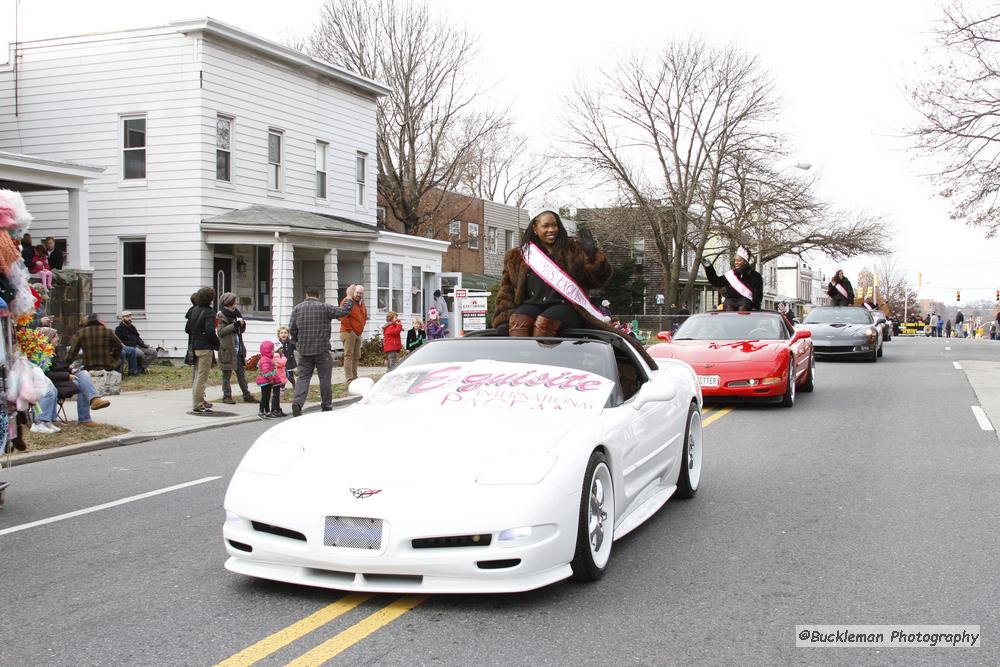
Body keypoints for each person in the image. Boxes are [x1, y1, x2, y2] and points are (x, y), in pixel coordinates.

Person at [493, 209, 612, 336]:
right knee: (518, 323)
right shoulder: (518, 255)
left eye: (554, 225)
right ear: (534, 227)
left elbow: (599, 280)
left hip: (567, 308)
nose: (551, 230)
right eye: (546, 226)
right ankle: (522, 356)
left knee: (544, 324)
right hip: (532, 305)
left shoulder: (573, 249)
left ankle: (544, 356)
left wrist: (592, 255)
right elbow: (507, 291)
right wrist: (503, 321)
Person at [288, 285, 356, 417]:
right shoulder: (325, 307)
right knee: (324, 379)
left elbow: (292, 329)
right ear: (318, 296)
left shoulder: (297, 309)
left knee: (303, 378)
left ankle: (297, 402)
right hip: (322, 349)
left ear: (306, 296)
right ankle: (326, 406)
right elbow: (344, 311)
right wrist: (348, 296)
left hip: (304, 350)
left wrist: (297, 343)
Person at [37, 326, 110, 428]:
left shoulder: (57, 350)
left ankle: (94, 400)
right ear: (47, 339)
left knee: (84, 374)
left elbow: (63, 367)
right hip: (53, 384)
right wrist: (67, 375)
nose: (58, 339)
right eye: (55, 337)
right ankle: (85, 418)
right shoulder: (44, 355)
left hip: (64, 380)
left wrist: (71, 371)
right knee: (82, 385)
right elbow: (46, 374)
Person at [216, 293, 255, 405]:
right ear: (229, 302)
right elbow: (221, 332)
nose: (236, 302)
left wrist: (241, 325)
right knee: (226, 375)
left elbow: (240, 331)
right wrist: (234, 325)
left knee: (241, 374)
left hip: (238, 348)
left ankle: (246, 395)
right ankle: (227, 396)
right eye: (234, 300)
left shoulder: (236, 313)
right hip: (227, 349)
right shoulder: (221, 315)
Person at [185, 287, 218, 413]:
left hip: (195, 345)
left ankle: (197, 401)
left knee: (198, 375)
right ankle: (198, 404)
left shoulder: (194, 310)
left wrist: (197, 334)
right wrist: (217, 343)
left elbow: (188, 328)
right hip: (205, 347)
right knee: (202, 377)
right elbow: (210, 332)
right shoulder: (209, 312)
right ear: (210, 298)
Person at [338, 284, 368, 385]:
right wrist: (351, 330)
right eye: (357, 292)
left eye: (361, 293)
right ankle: (349, 379)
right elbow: (343, 316)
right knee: (349, 356)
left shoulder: (361, 303)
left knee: (356, 356)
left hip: (358, 333)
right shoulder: (347, 301)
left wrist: (361, 329)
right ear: (353, 292)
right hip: (348, 332)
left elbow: (364, 316)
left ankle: (355, 377)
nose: (359, 295)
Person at [115, 310, 158, 375]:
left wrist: (145, 345)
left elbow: (138, 338)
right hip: (130, 347)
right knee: (141, 354)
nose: (129, 318)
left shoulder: (132, 327)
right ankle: (137, 369)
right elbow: (118, 341)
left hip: (138, 345)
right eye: (127, 317)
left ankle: (142, 368)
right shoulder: (119, 329)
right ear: (122, 318)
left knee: (154, 353)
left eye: (130, 316)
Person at [255, 340, 283, 419]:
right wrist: (271, 379)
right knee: (265, 397)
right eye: (272, 350)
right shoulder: (265, 360)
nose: (274, 351)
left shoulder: (267, 358)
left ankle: (267, 411)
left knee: (267, 397)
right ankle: (261, 411)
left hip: (267, 381)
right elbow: (266, 371)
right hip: (265, 381)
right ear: (267, 351)